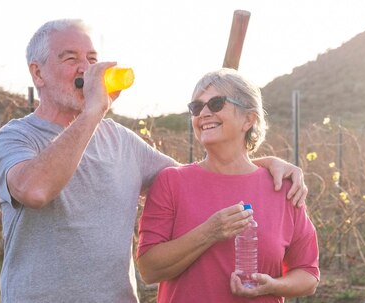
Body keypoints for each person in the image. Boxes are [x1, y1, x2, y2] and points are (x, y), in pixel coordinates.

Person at [0, 19, 307, 303]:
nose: (86, 69)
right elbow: (34, 191)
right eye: (70, 58)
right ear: (37, 72)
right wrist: (93, 111)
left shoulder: (121, 141)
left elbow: (196, 178)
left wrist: (261, 165)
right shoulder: (16, 138)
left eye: (92, 59)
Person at [136, 68, 320, 302]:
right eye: (195, 107)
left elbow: (308, 274)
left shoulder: (282, 188)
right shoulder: (171, 182)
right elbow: (149, 269)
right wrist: (210, 231)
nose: (202, 113)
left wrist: (272, 285)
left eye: (215, 103)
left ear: (248, 119)